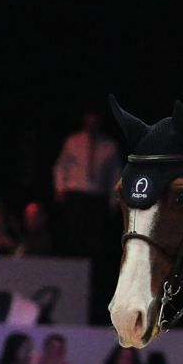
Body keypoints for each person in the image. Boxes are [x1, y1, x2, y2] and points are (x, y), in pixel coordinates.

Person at [52, 109, 120, 258]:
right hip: (76, 193)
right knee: (73, 236)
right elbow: (61, 166)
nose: (92, 121)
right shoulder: (73, 141)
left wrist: (114, 200)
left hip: (97, 197)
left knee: (94, 241)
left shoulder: (109, 145)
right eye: (89, 117)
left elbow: (115, 175)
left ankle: (90, 273)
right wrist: (60, 188)